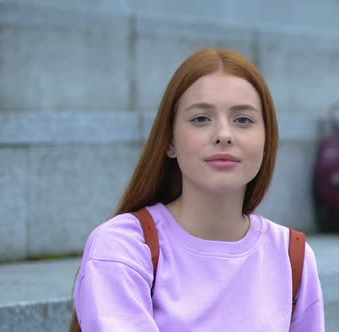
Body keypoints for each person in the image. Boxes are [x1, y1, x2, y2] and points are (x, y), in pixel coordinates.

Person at [69, 49, 325, 331]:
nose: (224, 135)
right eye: (201, 118)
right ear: (169, 141)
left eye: (243, 120)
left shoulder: (291, 255)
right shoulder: (123, 247)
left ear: (267, 140)